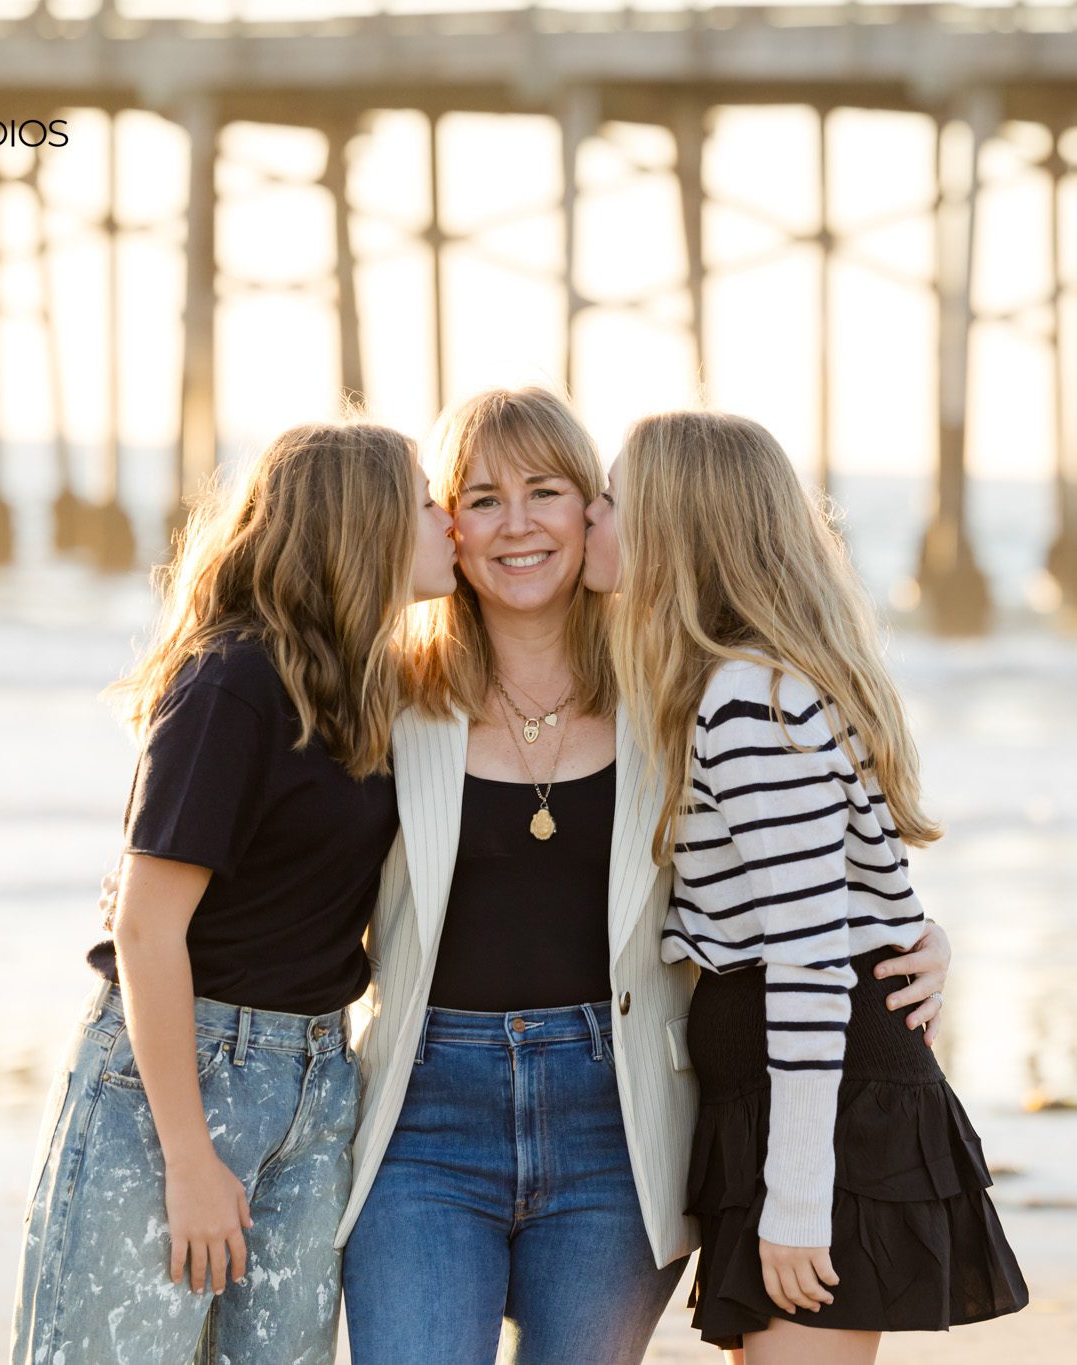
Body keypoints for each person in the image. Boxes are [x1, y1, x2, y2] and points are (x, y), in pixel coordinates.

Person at [336, 388, 955, 1365]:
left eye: (549, 491)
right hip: (422, 1118)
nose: (520, 524)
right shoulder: (388, 697)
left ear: (593, 510)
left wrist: (909, 935)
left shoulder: (669, 693)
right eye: (481, 498)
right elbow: (283, 872)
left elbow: (802, 864)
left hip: (617, 1119)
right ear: (443, 522)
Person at [10, 421, 458, 1365]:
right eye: (425, 500)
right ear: (361, 523)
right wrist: (187, 1155)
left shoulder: (370, 688)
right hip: (178, 1080)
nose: (447, 519)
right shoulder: (232, 682)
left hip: (318, 1079)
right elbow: (144, 926)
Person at [603, 409, 1029, 1363]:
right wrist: (914, 927)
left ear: (672, 527)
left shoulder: (750, 698)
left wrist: (799, 1190)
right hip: (788, 1083)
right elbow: (834, 889)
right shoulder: (734, 681)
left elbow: (805, 955)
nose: (589, 518)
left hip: (815, 1097)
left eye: (609, 502)